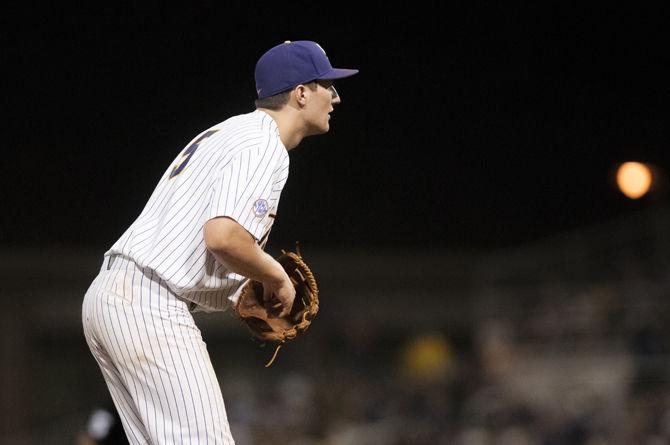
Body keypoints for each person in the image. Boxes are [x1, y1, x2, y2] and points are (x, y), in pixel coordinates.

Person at [81, 40, 358, 444]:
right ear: (301, 93)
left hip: (114, 296)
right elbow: (223, 237)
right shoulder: (266, 146)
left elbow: (204, 240)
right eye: (326, 85)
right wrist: (277, 276)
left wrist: (246, 285)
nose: (335, 96)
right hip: (148, 304)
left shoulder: (230, 132)